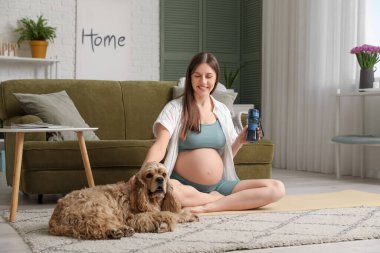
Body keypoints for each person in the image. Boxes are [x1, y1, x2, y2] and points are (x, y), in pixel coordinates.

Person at [143, 52, 285, 213]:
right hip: (182, 185)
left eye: (208, 76)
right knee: (170, 192)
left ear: (215, 78)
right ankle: (224, 201)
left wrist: (240, 140)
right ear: (190, 77)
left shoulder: (222, 110)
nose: (203, 81)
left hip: (219, 185)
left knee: (277, 188)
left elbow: (226, 156)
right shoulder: (175, 108)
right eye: (197, 76)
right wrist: (142, 173)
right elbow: (160, 146)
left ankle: (208, 206)